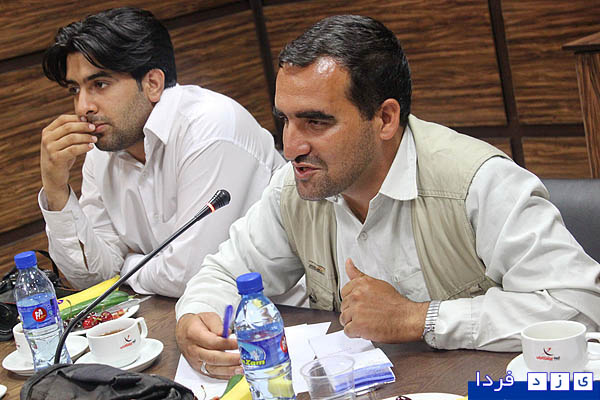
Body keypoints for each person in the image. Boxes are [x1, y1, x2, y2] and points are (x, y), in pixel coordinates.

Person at [175, 15, 600, 378]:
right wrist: (196, 316)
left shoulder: (478, 182)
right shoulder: (293, 188)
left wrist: (419, 318)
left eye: (316, 122)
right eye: (284, 120)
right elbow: (224, 274)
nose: (290, 147)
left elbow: (579, 307)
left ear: (385, 118)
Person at [37, 7, 289, 298]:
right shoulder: (101, 154)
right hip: (188, 315)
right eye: (74, 90)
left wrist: (126, 267)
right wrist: (55, 189)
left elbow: (191, 276)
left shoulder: (209, 128)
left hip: (280, 314)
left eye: (100, 84)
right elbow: (93, 278)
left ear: (153, 84)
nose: (83, 107)